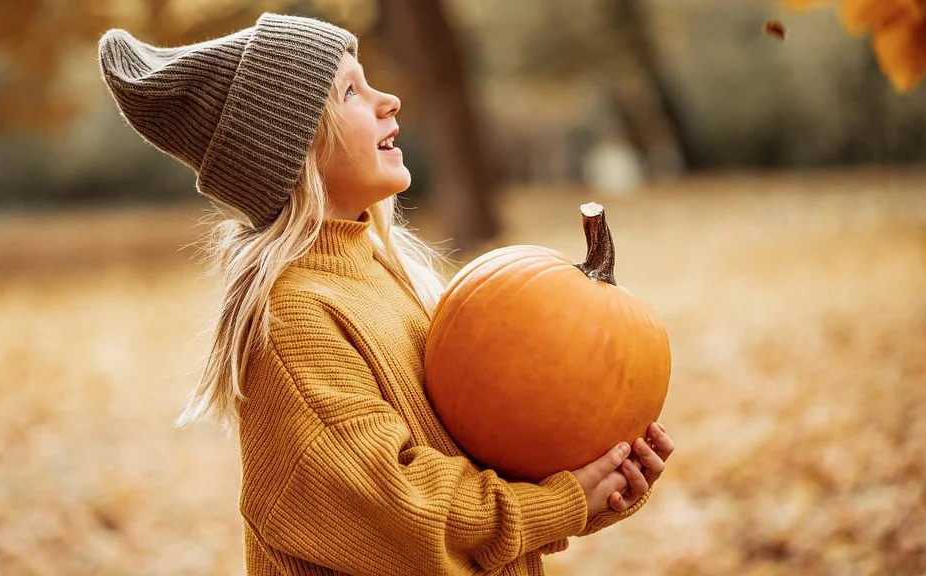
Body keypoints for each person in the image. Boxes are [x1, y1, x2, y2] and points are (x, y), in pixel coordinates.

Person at [97, 12, 675, 576]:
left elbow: (479, 464)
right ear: (290, 150)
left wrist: (598, 482)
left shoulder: (383, 274)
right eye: (350, 91)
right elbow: (403, 514)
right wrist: (563, 502)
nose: (388, 100)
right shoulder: (296, 318)